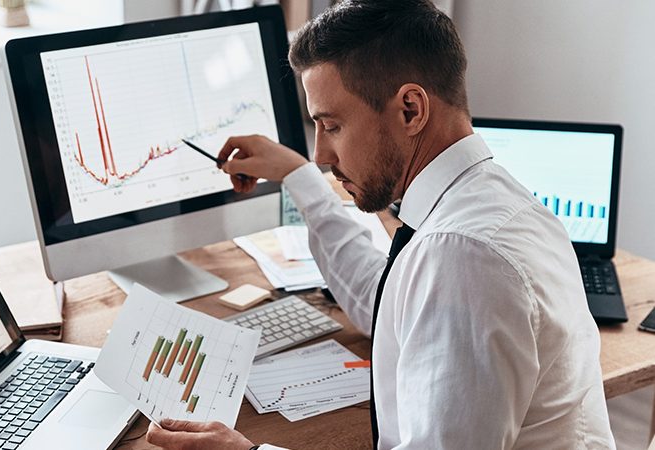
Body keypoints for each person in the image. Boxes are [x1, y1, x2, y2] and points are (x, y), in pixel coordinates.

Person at [146, 0, 616, 448]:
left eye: (331, 126)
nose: (322, 155)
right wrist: (298, 175)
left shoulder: (463, 256)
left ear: (411, 109)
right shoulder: (484, 201)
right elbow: (388, 303)